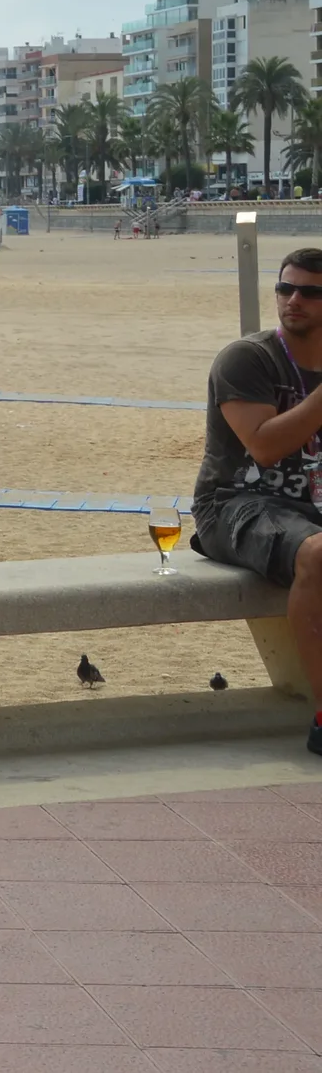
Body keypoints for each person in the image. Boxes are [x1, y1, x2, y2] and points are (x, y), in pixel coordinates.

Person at [193, 247, 322, 757]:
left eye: (311, 292)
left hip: (310, 507)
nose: (294, 300)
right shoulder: (247, 359)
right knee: (317, 555)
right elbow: (265, 446)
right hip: (237, 504)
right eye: (286, 289)